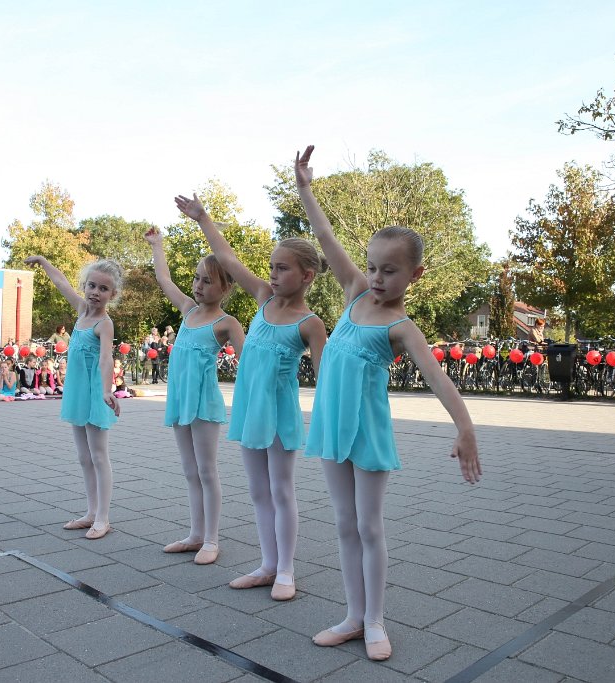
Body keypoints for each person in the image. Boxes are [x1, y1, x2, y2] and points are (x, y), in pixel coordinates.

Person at [294, 146, 480, 661]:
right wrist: (306, 190)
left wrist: (465, 427)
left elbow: (438, 376)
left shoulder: (402, 327)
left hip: (367, 431)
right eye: (374, 267)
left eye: (390, 271)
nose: (377, 277)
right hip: (331, 426)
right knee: (343, 523)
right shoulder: (354, 293)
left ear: (414, 276)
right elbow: (327, 239)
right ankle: (353, 615)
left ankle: (375, 621)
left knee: (370, 526)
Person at [178, 192, 328, 601]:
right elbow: (226, 259)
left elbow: (325, 376)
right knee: (258, 491)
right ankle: (267, 564)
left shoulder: (310, 323)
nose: (274, 275)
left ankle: (286, 570)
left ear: (308, 275)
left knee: (281, 490)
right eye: (272, 268)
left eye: (283, 269)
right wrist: (203, 218)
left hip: (279, 413)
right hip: (248, 410)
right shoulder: (263, 298)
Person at [145, 227, 245, 565]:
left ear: (226, 287)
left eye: (207, 281)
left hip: (203, 404)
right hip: (179, 400)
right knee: (189, 471)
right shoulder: (188, 311)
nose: (198, 286)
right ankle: (195, 533)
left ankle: (212, 540)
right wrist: (158, 245)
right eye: (197, 278)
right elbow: (164, 280)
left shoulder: (226, 322)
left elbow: (247, 363)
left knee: (206, 471)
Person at [25, 255, 121, 540]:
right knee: (83, 456)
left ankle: (103, 517)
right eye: (91, 285)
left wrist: (107, 390)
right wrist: (43, 261)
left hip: (95, 393)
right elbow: (60, 282)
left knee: (99, 456)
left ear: (112, 295)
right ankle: (91, 512)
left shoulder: (104, 323)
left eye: (103, 289)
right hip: (77, 392)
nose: (95, 292)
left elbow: (106, 359)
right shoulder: (81, 311)